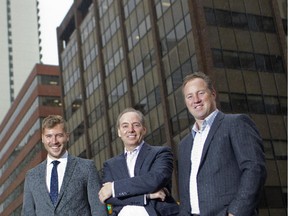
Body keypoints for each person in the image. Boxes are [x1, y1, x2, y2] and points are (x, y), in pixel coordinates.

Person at [178, 72, 266, 216]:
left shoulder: (235, 123)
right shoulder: (184, 145)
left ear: (213, 94)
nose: (196, 100)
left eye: (200, 93)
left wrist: (235, 212)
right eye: (190, 96)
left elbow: (254, 168)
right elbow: (185, 191)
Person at [98, 108, 179, 216]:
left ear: (144, 129)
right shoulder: (110, 165)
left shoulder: (161, 153)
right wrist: (146, 196)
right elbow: (107, 197)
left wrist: (114, 188)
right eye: (125, 126)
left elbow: (154, 180)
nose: (131, 130)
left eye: (136, 125)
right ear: (119, 132)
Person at [21, 115, 107, 216]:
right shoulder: (32, 176)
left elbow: (99, 209)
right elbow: (28, 213)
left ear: (67, 136)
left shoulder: (86, 167)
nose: (54, 141)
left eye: (59, 135)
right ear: (43, 138)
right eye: (49, 136)